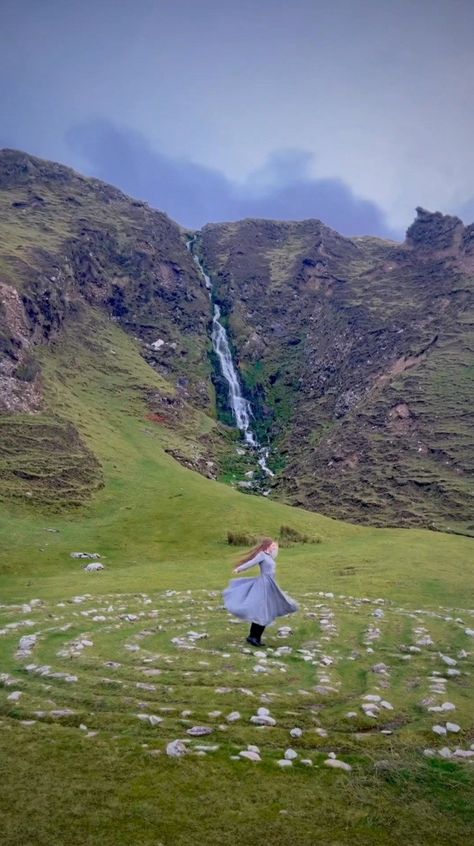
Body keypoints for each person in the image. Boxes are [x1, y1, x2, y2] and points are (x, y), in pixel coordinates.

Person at [223, 536, 298, 646]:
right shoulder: (262, 555)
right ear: (268, 545)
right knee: (262, 612)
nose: (275, 548)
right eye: (273, 545)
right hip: (263, 584)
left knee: (265, 611)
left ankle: (255, 638)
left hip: (270, 584)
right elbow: (251, 563)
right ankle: (253, 638)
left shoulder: (269, 557)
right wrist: (239, 569)